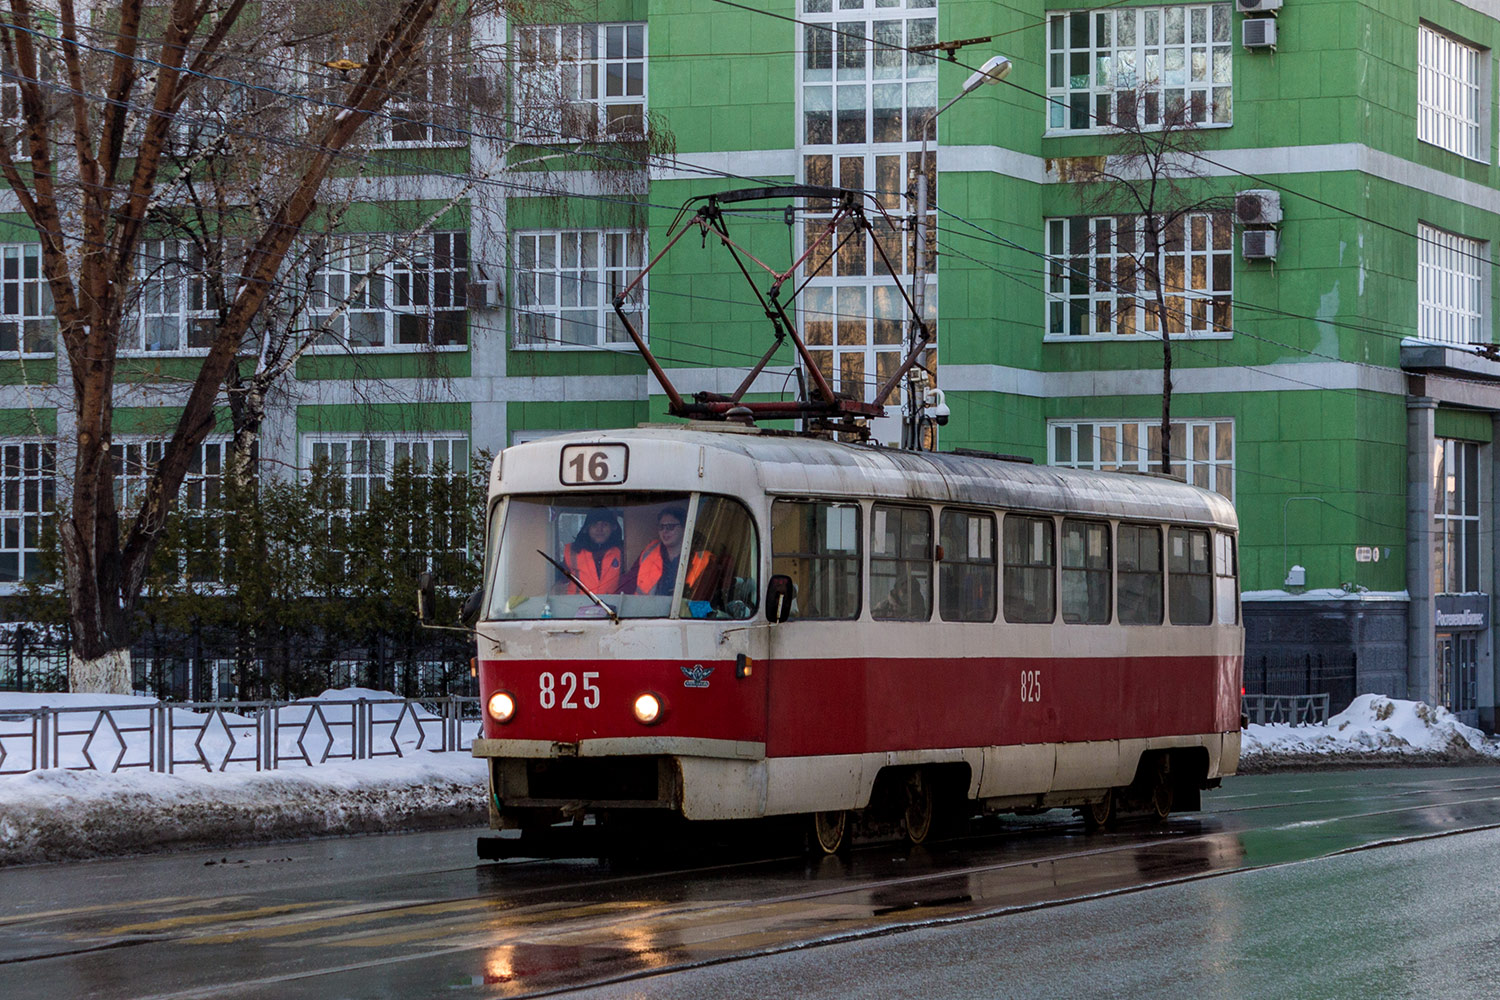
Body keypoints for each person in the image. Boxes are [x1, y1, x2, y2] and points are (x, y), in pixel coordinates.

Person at [629, 506, 711, 596]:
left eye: (670, 527)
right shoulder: (648, 552)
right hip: (646, 609)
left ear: (684, 528)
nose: (665, 531)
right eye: (661, 527)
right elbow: (629, 584)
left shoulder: (703, 560)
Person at [562, 509, 623, 594]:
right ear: (586, 528)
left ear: (613, 528)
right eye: (594, 525)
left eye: (605, 524)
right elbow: (559, 581)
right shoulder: (572, 551)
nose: (599, 529)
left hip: (612, 606)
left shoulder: (623, 552)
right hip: (576, 605)